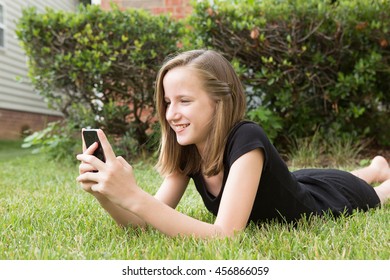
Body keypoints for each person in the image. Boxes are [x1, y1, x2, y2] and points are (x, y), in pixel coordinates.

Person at [76, 49, 390, 238]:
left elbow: (225, 236)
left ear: (219, 102)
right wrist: (107, 194)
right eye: (168, 101)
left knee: (372, 193)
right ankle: (374, 166)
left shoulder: (247, 138)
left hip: (323, 201)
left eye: (184, 100)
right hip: (299, 180)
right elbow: (142, 225)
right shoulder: (188, 150)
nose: (171, 114)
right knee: (310, 178)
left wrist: (133, 193)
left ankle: (376, 173)